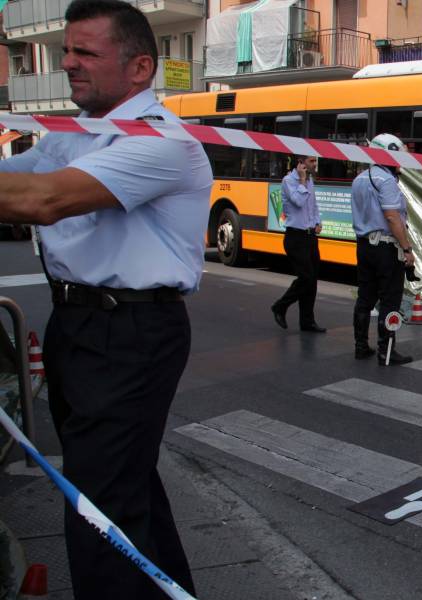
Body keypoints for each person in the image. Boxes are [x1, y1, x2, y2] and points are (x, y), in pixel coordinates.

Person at [0, 1, 208, 596]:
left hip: (130, 335)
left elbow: (42, 200)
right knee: (124, 487)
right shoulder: (75, 133)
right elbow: (18, 175)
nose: (68, 64)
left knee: (100, 510)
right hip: (79, 325)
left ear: (140, 67)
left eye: (85, 53)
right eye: (67, 51)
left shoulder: (164, 142)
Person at [351, 134, 416, 365]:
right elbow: (392, 216)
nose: (400, 163)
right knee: (390, 300)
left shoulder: (359, 179)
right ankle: (386, 352)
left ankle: (360, 346)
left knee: (365, 297)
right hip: (386, 249)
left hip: (364, 246)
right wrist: (407, 248)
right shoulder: (386, 181)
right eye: (397, 157)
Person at [271, 155, 326, 332]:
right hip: (295, 238)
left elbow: (313, 206)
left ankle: (307, 321)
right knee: (306, 277)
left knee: (312, 280)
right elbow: (299, 201)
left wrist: (317, 222)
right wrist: (302, 181)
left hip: (310, 237)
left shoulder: (309, 182)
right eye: (311, 161)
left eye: (316, 161)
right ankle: (281, 305)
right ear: (301, 163)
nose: (315, 165)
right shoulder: (289, 181)